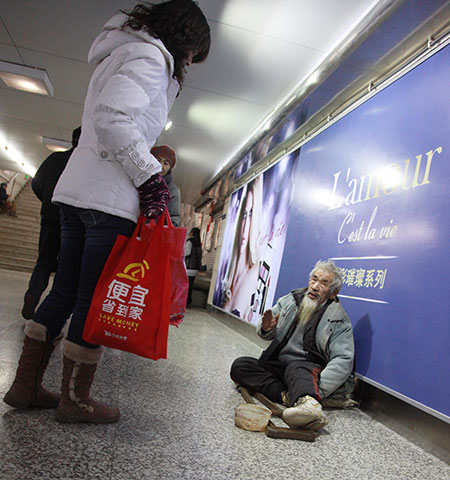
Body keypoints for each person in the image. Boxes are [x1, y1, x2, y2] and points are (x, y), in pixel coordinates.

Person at [3, 0, 210, 424]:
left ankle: (25, 387)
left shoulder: (123, 50)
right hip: (109, 198)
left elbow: (104, 118)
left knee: (63, 292)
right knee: (90, 301)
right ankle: (74, 401)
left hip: (80, 193)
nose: (189, 62)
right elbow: (114, 117)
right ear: (184, 37)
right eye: (192, 53)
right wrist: (149, 176)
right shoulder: (152, 59)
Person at [230, 260, 355, 431]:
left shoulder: (339, 320)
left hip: (305, 370)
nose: (315, 286)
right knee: (240, 366)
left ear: (333, 293)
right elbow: (265, 329)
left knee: (297, 368)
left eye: (323, 283)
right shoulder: (290, 301)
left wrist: (318, 390)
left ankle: (309, 404)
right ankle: (289, 397)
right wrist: (267, 328)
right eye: (314, 279)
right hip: (279, 365)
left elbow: (343, 360)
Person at [21, 127, 81, 320]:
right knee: (65, 266)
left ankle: (33, 295)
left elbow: (37, 183)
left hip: (49, 217)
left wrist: (48, 200)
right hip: (72, 222)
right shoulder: (86, 164)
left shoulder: (54, 159)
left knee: (44, 262)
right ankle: (51, 309)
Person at [221, 176, 263, 320]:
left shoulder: (252, 273)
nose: (245, 225)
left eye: (251, 214)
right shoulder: (231, 272)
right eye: (244, 215)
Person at [151, 145, 180, 225]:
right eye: (158, 160)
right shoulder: (138, 180)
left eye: (166, 163)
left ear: (170, 168)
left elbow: (173, 219)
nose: (161, 166)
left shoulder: (172, 190)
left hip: (153, 234)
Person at [185, 227, 202, 307]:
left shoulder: (190, 242)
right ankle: (188, 301)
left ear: (192, 233)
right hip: (195, 268)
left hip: (189, 267)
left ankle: (185, 301)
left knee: (185, 285)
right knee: (190, 285)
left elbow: (187, 253)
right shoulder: (199, 244)